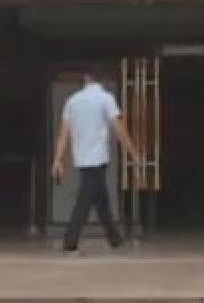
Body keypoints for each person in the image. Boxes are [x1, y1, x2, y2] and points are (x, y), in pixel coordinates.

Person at [51, 69, 141, 254]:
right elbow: (118, 128)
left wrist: (58, 159)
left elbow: (64, 132)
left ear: (86, 79)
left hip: (81, 157)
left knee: (101, 201)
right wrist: (132, 151)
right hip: (98, 157)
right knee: (85, 200)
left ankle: (115, 239)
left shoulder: (72, 101)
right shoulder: (105, 98)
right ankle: (70, 242)